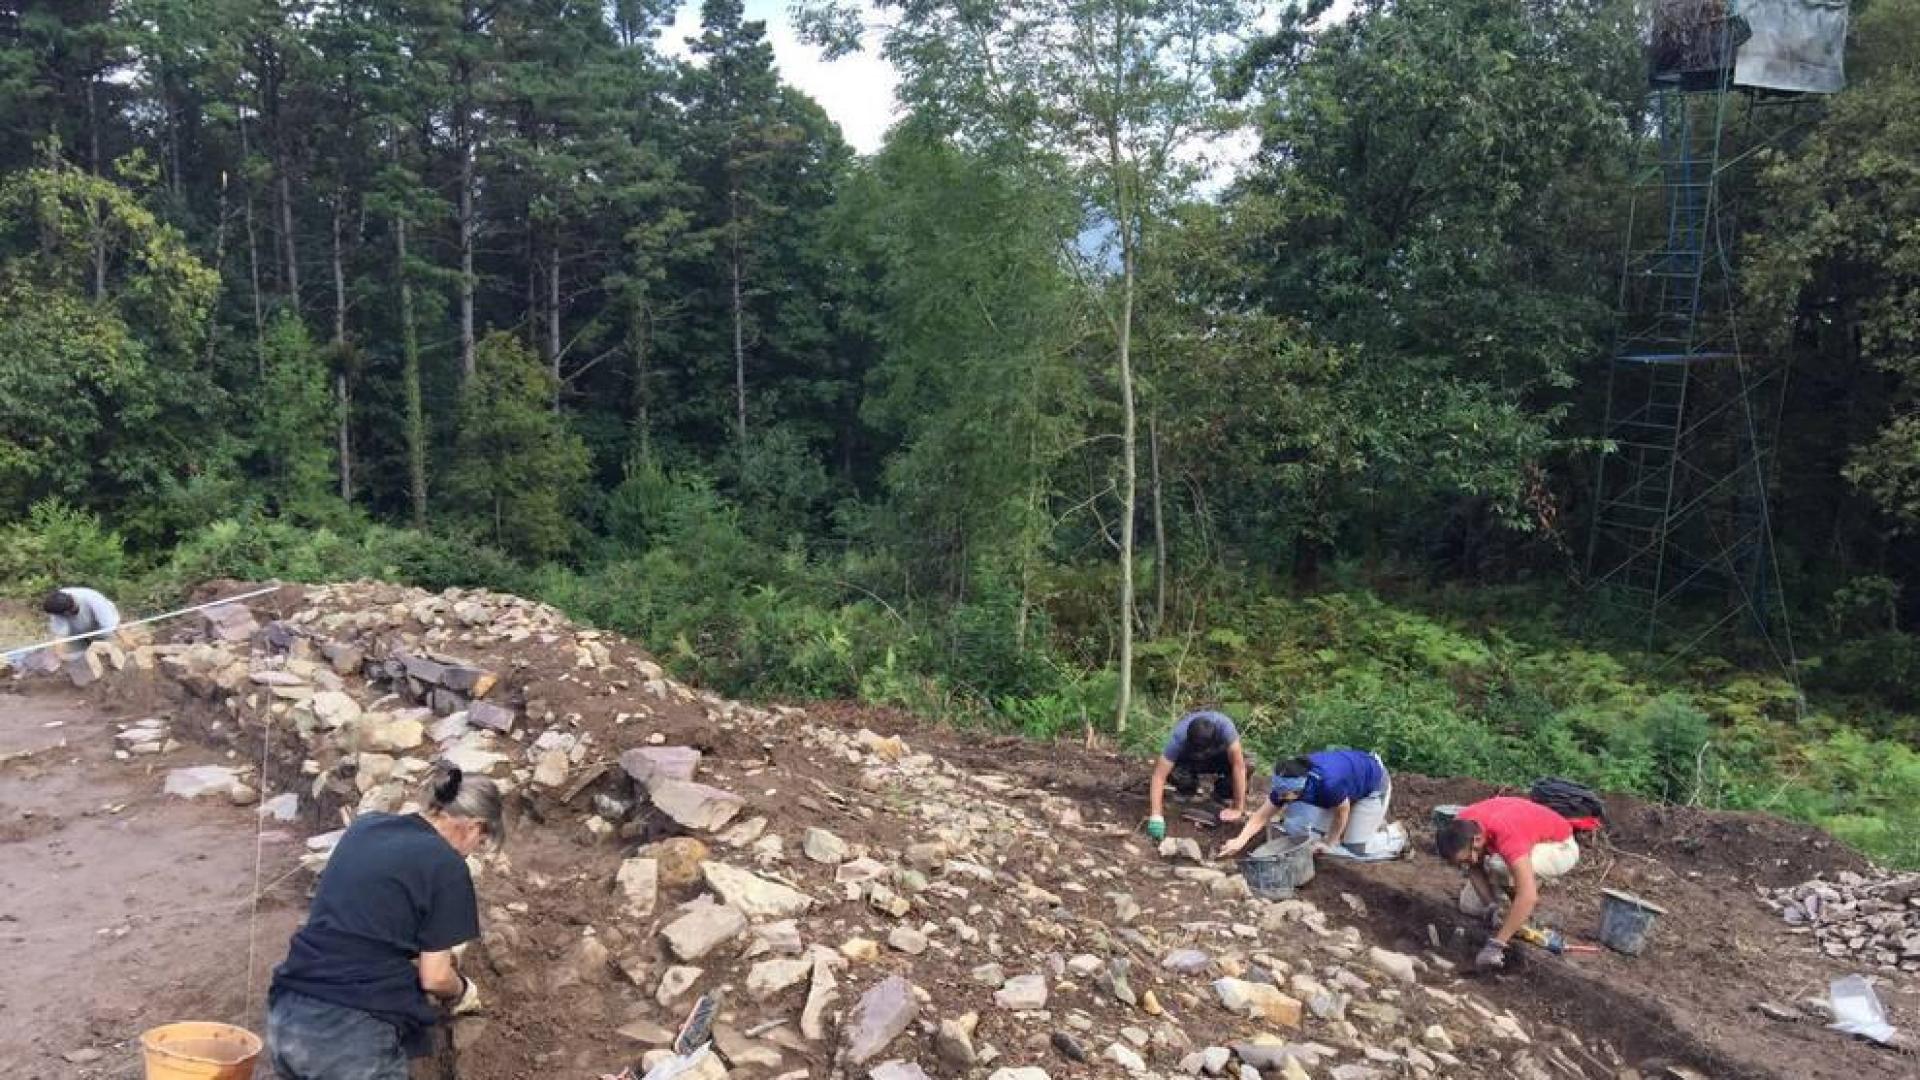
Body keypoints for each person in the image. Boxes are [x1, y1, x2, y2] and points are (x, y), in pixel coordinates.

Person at [268, 763, 501, 1079]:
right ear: (473, 827)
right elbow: (434, 977)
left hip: (287, 1016)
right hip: (348, 1037)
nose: (473, 852)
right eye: (481, 843)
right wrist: (462, 990)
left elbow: (370, 918)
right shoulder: (446, 864)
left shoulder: (367, 828)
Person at [1434, 796, 1582, 972]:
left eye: (1467, 858)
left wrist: (1496, 945)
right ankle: (1509, 907)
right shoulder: (1460, 827)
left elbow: (1529, 896)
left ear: (1477, 841)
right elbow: (1473, 865)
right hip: (1517, 834)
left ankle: (1520, 909)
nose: (1469, 862)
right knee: (1470, 906)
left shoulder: (1507, 836)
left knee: (1501, 866)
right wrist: (1491, 906)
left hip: (1559, 846)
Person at [1217, 749, 1394, 859]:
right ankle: (1364, 824)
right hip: (1344, 787)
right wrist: (1239, 841)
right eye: (1280, 794)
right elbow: (1261, 816)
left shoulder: (1327, 785)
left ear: (1299, 789)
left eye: (1286, 795)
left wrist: (1330, 843)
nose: (1282, 798)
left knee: (1353, 849)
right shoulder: (1288, 785)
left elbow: (1343, 810)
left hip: (1373, 785)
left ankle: (1394, 838)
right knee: (1298, 829)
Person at [1146, 709, 1248, 841]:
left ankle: (1221, 793)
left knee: (1247, 764)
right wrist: (1156, 815)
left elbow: (1239, 767)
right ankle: (1187, 789)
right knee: (1173, 772)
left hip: (1217, 758)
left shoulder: (1226, 730)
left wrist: (1238, 808)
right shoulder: (1179, 737)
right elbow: (1159, 775)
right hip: (1190, 761)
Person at [42, 586, 120, 657]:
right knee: (76, 653)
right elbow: (60, 636)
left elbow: (113, 626)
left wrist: (125, 640)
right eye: (67, 614)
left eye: (73, 609)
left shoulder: (92, 598)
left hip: (101, 625)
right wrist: (61, 655)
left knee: (108, 645)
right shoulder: (57, 607)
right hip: (78, 630)